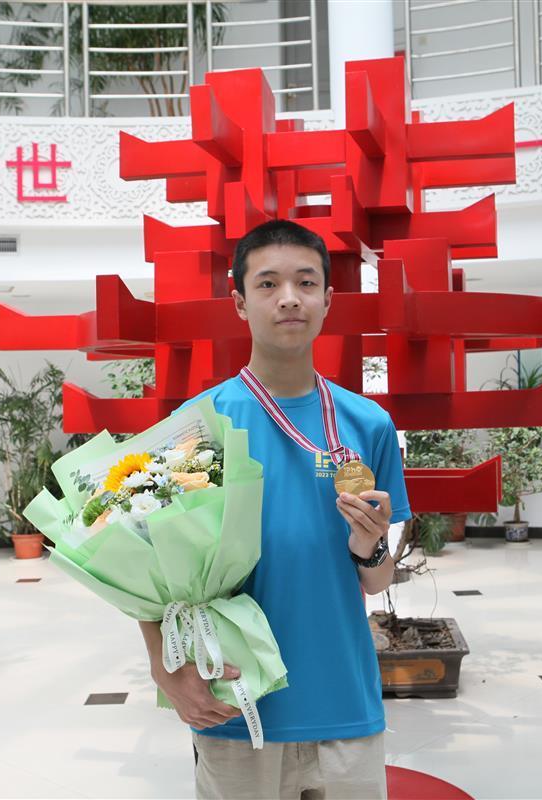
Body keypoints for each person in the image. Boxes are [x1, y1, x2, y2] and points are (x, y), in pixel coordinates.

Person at [137, 219, 412, 800]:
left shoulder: (369, 424)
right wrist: (163, 667)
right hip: (238, 702)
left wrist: (369, 546)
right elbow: (148, 571)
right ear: (240, 302)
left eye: (305, 282)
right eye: (267, 284)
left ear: (328, 300)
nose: (289, 298)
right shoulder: (199, 425)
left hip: (345, 700)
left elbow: (378, 579)